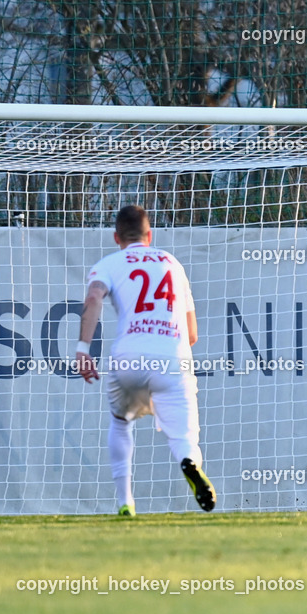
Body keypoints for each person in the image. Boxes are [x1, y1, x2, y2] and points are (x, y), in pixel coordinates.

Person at [76, 205, 215, 516]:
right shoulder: (172, 264)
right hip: (172, 357)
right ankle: (189, 462)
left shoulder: (108, 264)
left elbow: (94, 297)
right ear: (149, 235)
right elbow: (192, 334)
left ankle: (125, 502)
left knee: (120, 421)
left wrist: (83, 348)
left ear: (117, 237)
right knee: (185, 436)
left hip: (129, 358)